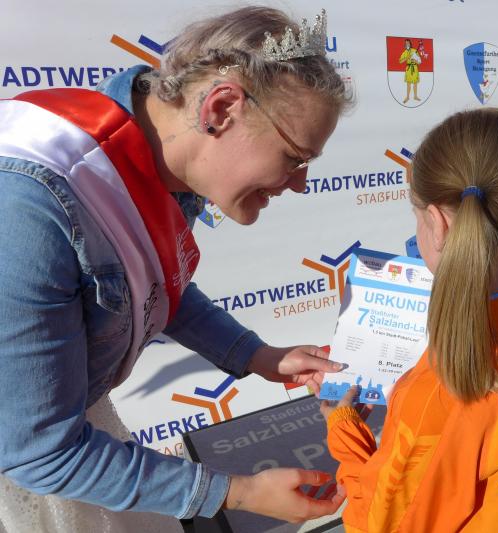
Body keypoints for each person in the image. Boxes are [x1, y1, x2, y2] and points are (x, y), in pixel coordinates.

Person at [0, 6, 350, 531]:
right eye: (294, 157)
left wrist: (258, 356)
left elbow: (154, 280)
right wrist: (238, 491)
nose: (299, 183)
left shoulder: (155, 150)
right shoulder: (29, 210)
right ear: (222, 108)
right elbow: (39, 452)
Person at [322, 108, 498, 533]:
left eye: (416, 216)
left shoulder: (448, 385)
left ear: (437, 224)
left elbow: (380, 523)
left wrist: (344, 430)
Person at [398, 39, 422, 104]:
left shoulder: (414, 51)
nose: (407, 44)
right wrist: (406, 58)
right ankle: (408, 97)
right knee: (408, 84)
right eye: (406, 44)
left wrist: (415, 61)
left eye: (408, 43)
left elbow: (420, 62)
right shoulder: (405, 52)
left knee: (415, 83)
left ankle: (415, 96)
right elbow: (400, 61)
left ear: (410, 44)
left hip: (414, 68)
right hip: (408, 69)